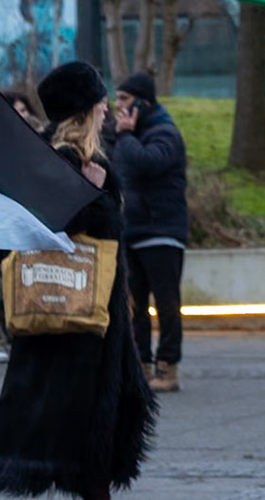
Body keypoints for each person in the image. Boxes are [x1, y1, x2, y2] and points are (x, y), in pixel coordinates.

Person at [0, 61, 155, 500]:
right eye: (100, 105)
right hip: (69, 304)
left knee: (52, 401)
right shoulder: (60, 162)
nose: (106, 113)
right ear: (84, 112)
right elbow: (70, 226)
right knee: (61, 403)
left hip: (71, 304)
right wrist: (97, 200)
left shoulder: (80, 160)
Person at [111, 72, 188, 394]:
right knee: (134, 304)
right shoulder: (129, 133)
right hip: (134, 231)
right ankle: (140, 364)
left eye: (124, 101)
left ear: (143, 103)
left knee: (167, 303)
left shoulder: (165, 133)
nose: (118, 107)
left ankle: (167, 366)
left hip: (162, 231)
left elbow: (145, 164)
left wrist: (126, 135)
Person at [0, 92, 39, 366]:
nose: (20, 116)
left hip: (26, 226)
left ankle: (23, 339)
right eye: (13, 111)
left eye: (23, 110)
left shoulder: (37, 142)